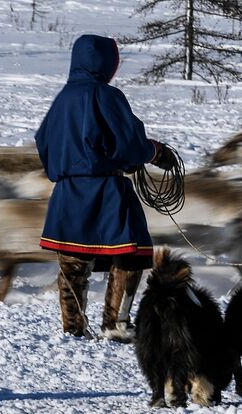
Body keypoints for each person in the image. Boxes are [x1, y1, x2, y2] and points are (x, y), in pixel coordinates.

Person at [34, 34, 175, 341]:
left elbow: (43, 142)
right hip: (106, 192)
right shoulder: (106, 96)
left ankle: (72, 329)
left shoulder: (62, 99)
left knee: (73, 264)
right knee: (131, 253)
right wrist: (155, 152)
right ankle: (116, 323)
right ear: (107, 63)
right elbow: (128, 144)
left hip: (68, 194)